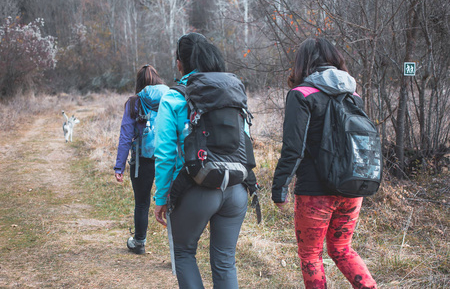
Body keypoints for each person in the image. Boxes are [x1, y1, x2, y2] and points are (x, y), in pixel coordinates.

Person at [271, 37, 377, 289]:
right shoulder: (353, 94)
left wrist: (279, 188)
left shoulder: (301, 95)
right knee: (342, 248)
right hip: (351, 186)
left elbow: (293, 148)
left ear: (302, 63)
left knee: (311, 256)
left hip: (314, 192)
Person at [153, 32, 250, 289]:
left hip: (194, 188)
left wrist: (161, 198)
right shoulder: (233, 91)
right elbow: (246, 140)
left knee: (184, 253)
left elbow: (163, 154)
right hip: (236, 188)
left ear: (179, 63)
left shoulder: (173, 98)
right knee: (225, 260)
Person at [114, 64, 169, 254]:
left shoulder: (133, 103)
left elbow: (125, 137)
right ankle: (178, 250)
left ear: (139, 83)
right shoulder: (170, 98)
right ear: (158, 80)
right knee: (173, 201)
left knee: (142, 202)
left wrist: (119, 166)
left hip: (142, 160)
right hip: (167, 157)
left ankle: (139, 242)